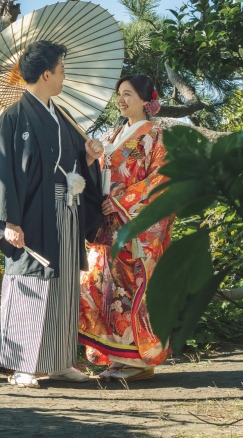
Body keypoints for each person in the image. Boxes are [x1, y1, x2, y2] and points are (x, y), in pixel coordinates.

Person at [0, 40, 104, 388]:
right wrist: (9, 221)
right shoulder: (14, 117)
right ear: (47, 73)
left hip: (66, 208)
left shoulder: (60, 115)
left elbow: (73, 164)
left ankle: (60, 359)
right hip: (31, 214)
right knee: (29, 282)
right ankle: (24, 365)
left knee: (64, 282)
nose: (65, 76)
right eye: (62, 70)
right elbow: (3, 171)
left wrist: (89, 158)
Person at [78, 74, 175, 381]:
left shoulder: (155, 135)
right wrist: (93, 156)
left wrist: (123, 202)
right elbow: (104, 172)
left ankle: (140, 362)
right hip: (108, 222)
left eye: (128, 94)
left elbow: (162, 179)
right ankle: (118, 358)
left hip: (133, 222)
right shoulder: (115, 132)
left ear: (147, 101)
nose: (121, 99)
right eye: (119, 94)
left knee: (132, 289)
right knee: (107, 288)